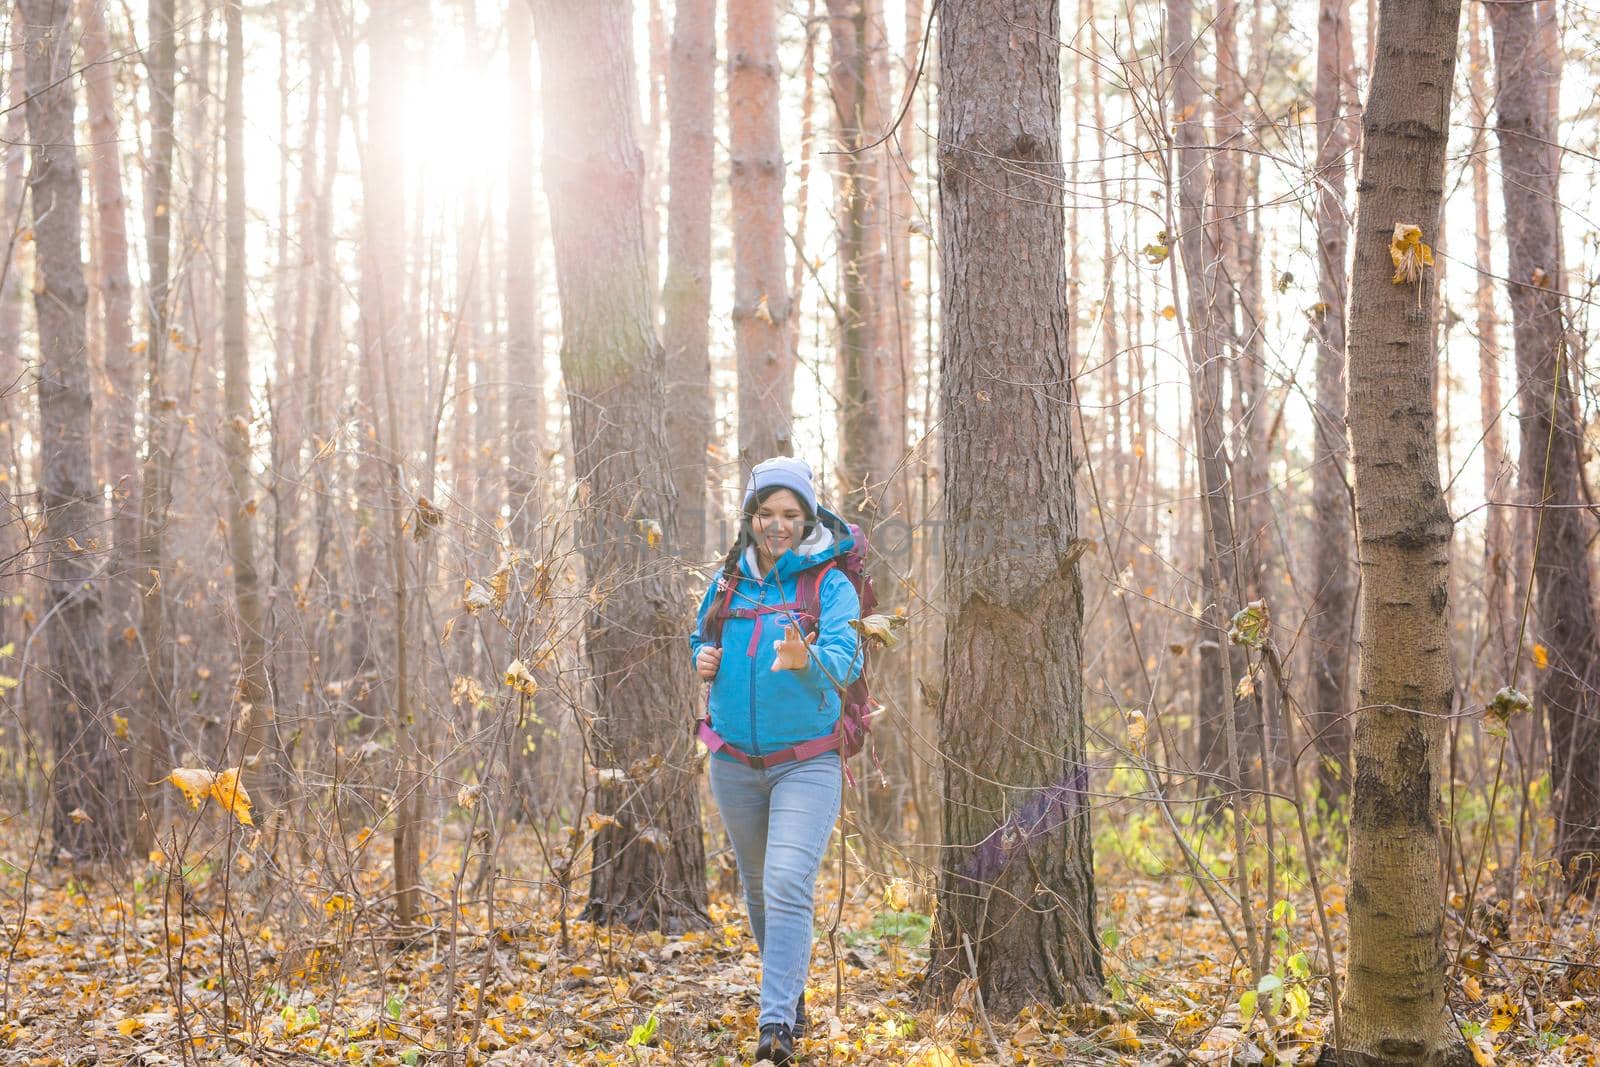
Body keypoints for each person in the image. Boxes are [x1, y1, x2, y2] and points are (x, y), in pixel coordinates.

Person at [689, 457, 863, 1066]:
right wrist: (703, 658)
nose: (777, 526)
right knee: (761, 892)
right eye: (766, 513)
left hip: (806, 761)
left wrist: (806, 657)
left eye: (790, 514)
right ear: (750, 516)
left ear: (808, 517)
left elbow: (848, 660)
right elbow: (700, 636)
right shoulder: (728, 582)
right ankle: (789, 997)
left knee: (788, 880)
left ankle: (775, 1029)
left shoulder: (828, 585)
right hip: (732, 762)